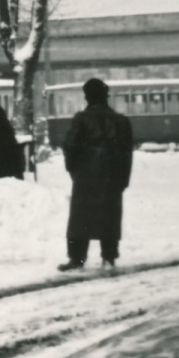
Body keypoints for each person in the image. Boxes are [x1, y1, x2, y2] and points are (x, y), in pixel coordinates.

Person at [59, 77, 134, 271]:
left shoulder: (81, 120)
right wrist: (123, 178)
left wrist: (74, 171)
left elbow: (70, 146)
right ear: (105, 96)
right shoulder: (120, 121)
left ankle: (77, 258)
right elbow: (127, 153)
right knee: (109, 215)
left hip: (86, 176)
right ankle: (109, 256)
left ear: (87, 97)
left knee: (81, 218)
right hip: (112, 175)